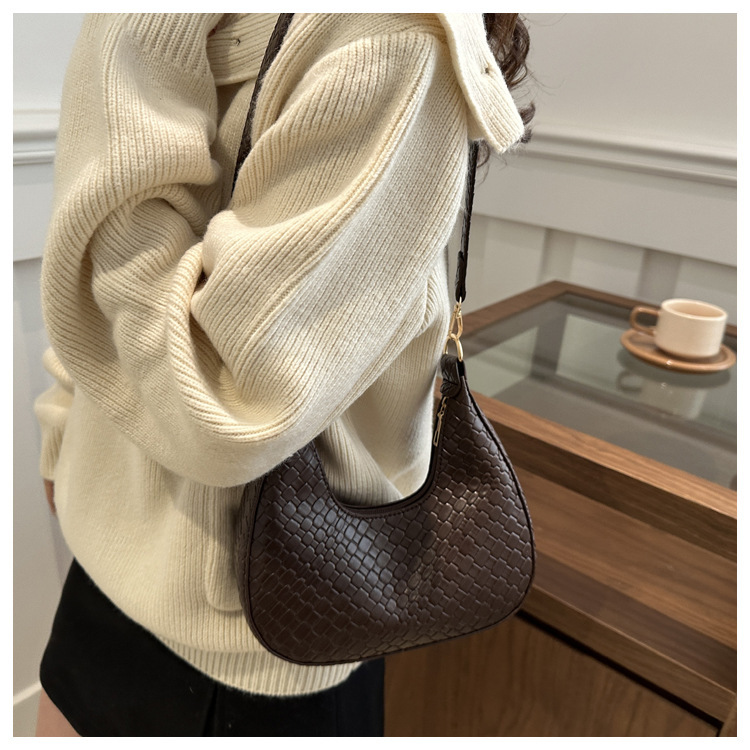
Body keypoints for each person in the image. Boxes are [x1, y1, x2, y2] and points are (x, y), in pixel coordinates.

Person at [32, 12, 533, 737]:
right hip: (117, 570)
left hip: (249, 633)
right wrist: (64, 427)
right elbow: (101, 299)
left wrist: (127, 33)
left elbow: (224, 412)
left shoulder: (384, 40)